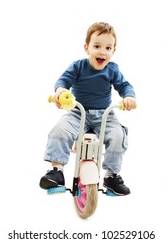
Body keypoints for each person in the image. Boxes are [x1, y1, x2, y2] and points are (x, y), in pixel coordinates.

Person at [39, 22, 136, 195]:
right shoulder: (78, 66)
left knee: (118, 136)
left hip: (104, 114)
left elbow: (124, 85)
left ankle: (111, 175)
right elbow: (64, 80)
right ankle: (57, 170)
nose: (102, 51)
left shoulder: (112, 70)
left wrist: (128, 97)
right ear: (87, 48)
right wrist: (60, 90)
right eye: (97, 46)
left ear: (113, 51)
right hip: (78, 112)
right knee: (60, 130)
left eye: (108, 47)